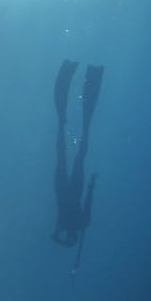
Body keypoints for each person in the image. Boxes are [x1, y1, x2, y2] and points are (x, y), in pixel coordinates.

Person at [51, 60, 103, 263]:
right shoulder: (75, 224)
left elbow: (54, 236)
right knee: (68, 150)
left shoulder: (74, 225)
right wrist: (91, 184)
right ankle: (68, 125)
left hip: (66, 188)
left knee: (72, 151)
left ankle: (70, 125)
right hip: (69, 188)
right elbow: (89, 200)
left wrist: (92, 183)